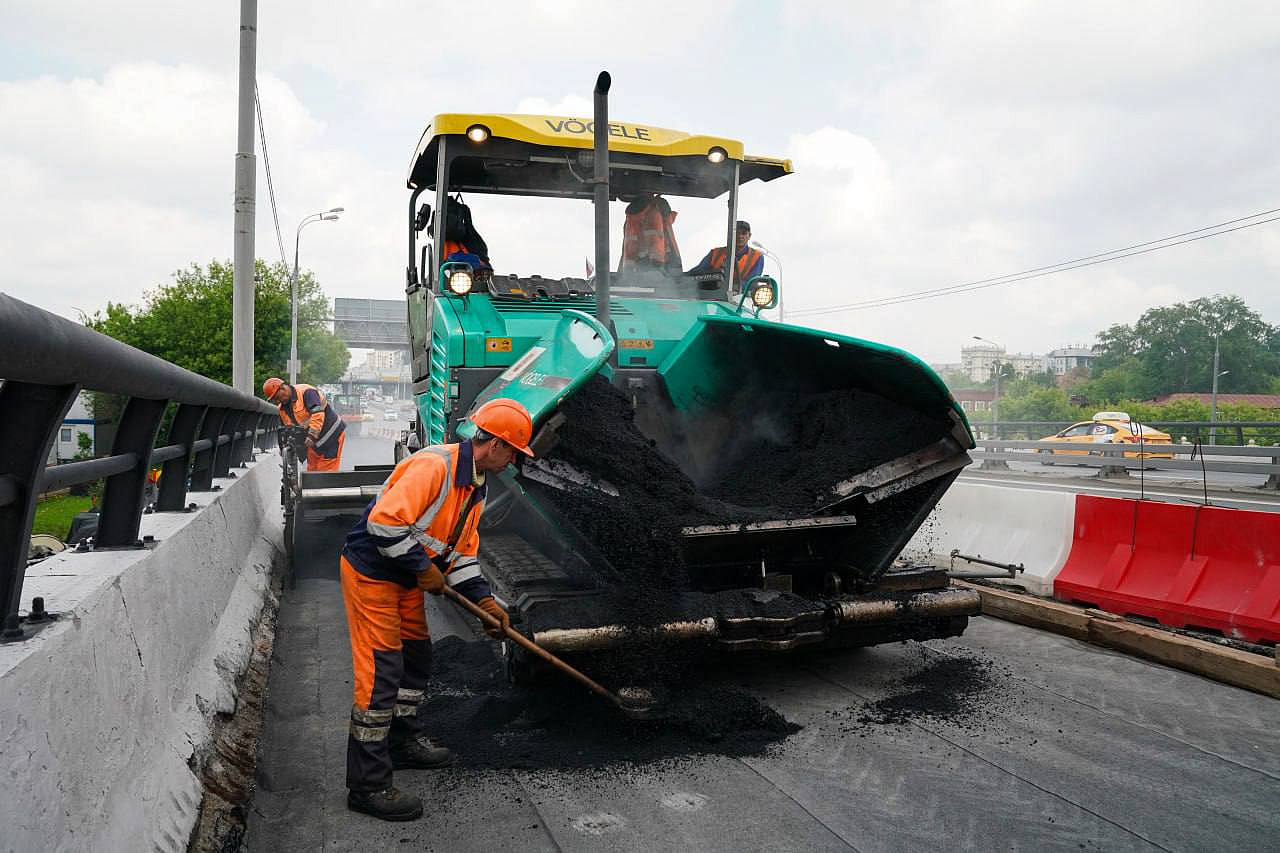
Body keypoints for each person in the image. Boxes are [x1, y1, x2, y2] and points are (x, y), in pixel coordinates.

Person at [337, 398, 534, 821]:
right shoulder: (436, 466)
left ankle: (401, 742)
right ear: (494, 444)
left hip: (406, 578)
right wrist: (422, 568)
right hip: (373, 573)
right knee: (381, 672)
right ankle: (367, 785)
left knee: (416, 660)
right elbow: (384, 524)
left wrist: (484, 602)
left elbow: (460, 554)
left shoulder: (476, 483)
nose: (515, 460)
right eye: (514, 451)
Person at [263, 377, 347, 472]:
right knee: (312, 471)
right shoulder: (283, 409)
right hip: (314, 442)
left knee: (326, 471)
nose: (278, 401)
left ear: (283, 388)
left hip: (331, 435)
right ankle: (315, 485)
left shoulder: (306, 392)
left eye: (277, 397)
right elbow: (288, 430)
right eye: (275, 399)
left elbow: (317, 414)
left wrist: (311, 436)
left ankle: (325, 485)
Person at [687, 220, 764, 289]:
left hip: (740, 298)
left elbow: (752, 282)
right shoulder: (715, 253)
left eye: (743, 233)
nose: (740, 236)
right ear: (730, 235)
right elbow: (698, 271)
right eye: (737, 233)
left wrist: (727, 286)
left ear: (749, 236)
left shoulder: (757, 257)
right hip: (712, 294)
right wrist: (682, 277)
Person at [619, 193, 682, 275]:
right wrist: (657, 266)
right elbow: (656, 241)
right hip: (658, 268)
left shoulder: (631, 218)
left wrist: (627, 272)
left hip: (640, 270)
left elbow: (629, 249)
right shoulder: (654, 212)